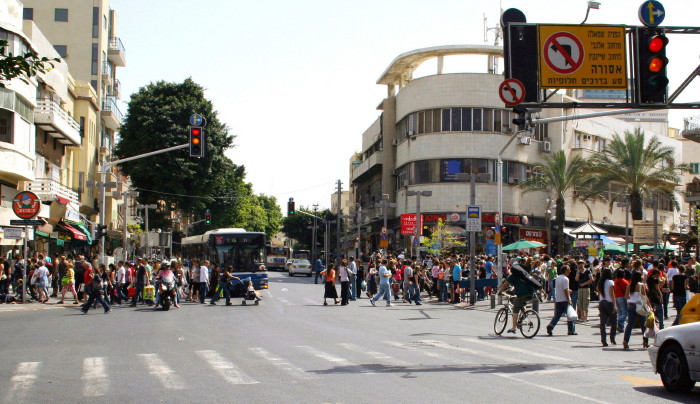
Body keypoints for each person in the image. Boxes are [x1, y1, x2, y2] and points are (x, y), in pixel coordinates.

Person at [498, 266, 537, 334]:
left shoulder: (513, 276)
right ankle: (524, 315)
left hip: (522, 294)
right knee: (521, 303)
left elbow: (505, 285)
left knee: (515, 309)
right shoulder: (525, 274)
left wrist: (500, 292)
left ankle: (513, 328)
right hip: (531, 293)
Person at [546, 265, 577, 336]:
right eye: (569, 269)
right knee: (570, 315)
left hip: (558, 299)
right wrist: (569, 298)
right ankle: (571, 330)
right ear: (566, 270)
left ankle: (551, 325)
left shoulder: (558, 278)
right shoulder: (565, 279)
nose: (570, 271)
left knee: (557, 315)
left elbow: (560, 288)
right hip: (564, 300)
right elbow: (565, 289)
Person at [623, 271, 649, 350]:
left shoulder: (629, 285)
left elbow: (626, 296)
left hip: (631, 305)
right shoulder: (641, 285)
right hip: (639, 305)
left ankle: (626, 341)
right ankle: (645, 341)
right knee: (643, 324)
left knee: (630, 324)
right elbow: (645, 296)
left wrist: (631, 297)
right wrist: (649, 306)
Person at [597, 268, 617, 346]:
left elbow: (598, 292)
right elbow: (612, 294)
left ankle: (603, 340)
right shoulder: (610, 282)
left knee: (603, 323)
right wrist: (615, 305)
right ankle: (612, 338)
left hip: (602, 302)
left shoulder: (600, 282)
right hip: (609, 302)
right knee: (614, 321)